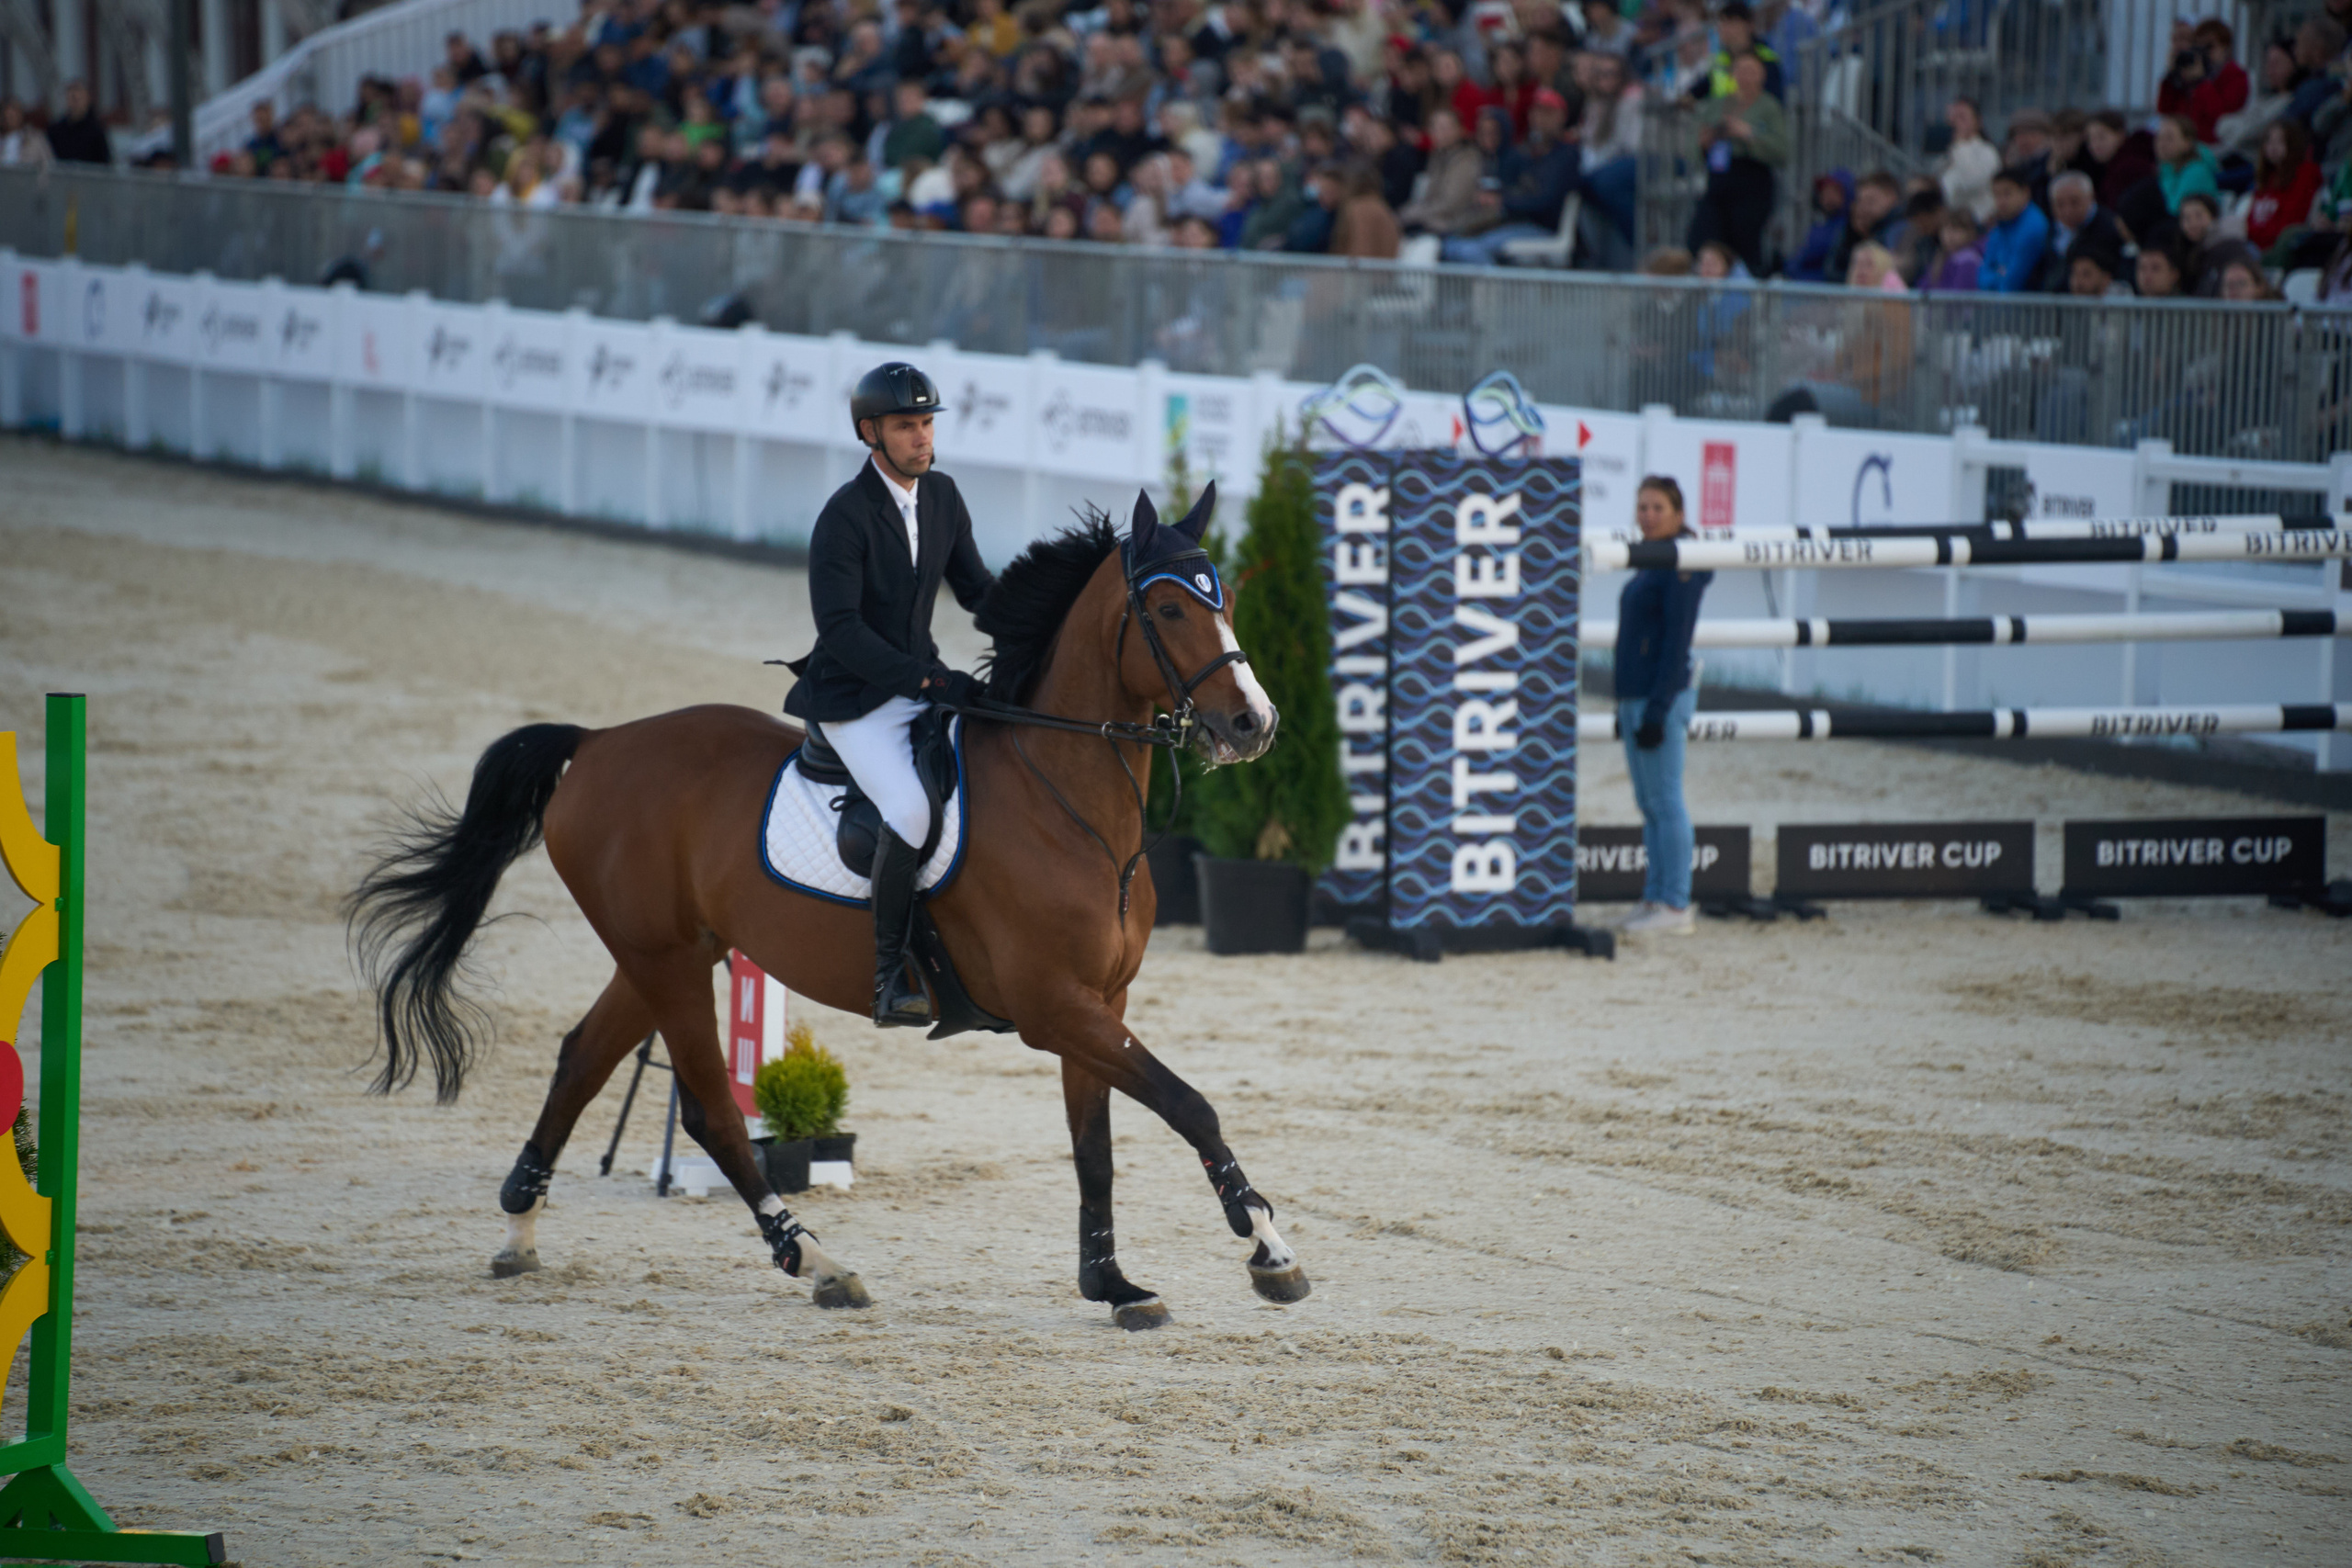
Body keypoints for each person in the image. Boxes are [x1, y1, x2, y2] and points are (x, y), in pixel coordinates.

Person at [782, 364, 994, 1027]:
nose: (921, 438)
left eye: (927, 424)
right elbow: (839, 630)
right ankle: (889, 973)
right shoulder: (844, 517)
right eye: (906, 426)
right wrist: (931, 680)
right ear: (871, 432)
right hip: (853, 698)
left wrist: (1037, 628)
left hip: (915, 683)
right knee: (908, 809)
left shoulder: (943, 497)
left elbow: (978, 590)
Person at [1614, 476, 1712, 938]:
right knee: (1648, 802)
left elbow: (1676, 641)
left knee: (1667, 799)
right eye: (1642, 507)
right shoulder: (1650, 561)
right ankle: (1655, 896)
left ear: (1678, 513)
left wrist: (1658, 707)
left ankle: (1676, 902)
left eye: (1657, 507)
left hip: (1661, 696)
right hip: (1635, 693)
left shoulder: (1680, 564)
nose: (1648, 515)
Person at [1686, 52, 1786, 276]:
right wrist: (1705, 143)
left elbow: (1782, 151)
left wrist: (1748, 134)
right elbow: (1694, 147)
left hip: (1752, 180)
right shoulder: (1717, 104)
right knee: (1702, 238)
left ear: (1762, 76)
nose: (1745, 77)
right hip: (1719, 178)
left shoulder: (1769, 106)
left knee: (1745, 243)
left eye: (1752, 71)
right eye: (1741, 70)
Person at [2036, 172, 2125, 292]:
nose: (2067, 211)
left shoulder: (2110, 228)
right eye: (2060, 204)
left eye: (2075, 202)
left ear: (2091, 197)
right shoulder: (2051, 228)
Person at [1977, 167, 2049, 293]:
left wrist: (1997, 274)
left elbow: (2011, 282)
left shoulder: (2034, 227)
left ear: (2026, 192)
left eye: (2007, 193)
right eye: (1996, 195)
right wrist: (1999, 275)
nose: (2001, 201)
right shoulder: (1999, 226)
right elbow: (1981, 277)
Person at [1938, 96, 2000, 222]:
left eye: (1962, 117)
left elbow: (1972, 181)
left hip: (1979, 222)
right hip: (1954, 224)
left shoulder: (1987, 151)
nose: (1955, 122)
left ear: (1978, 121)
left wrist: (1961, 144)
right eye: (1953, 117)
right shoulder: (1950, 152)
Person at [45, 80, 110, 164]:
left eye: (79, 99)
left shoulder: (97, 130)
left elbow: (103, 162)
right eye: (72, 98)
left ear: (87, 98)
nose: (75, 103)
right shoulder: (56, 130)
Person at [1922, 209, 1984, 291]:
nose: (1949, 235)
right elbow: (1924, 286)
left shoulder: (1970, 261)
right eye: (1945, 229)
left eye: (1956, 229)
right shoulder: (1941, 257)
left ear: (1969, 233)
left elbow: (1959, 295)